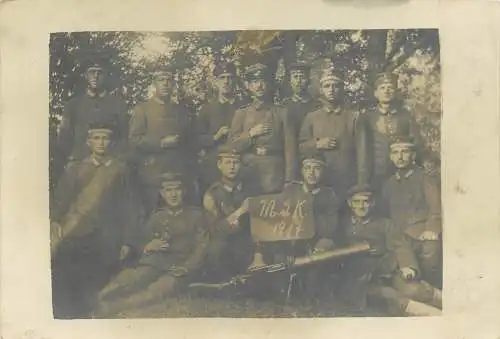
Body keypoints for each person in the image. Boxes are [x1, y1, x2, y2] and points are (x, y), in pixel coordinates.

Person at [50, 121, 135, 318]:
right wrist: (55, 223)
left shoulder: (120, 170)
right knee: (68, 276)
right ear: (88, 142)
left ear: (111, 142)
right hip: (77, 234)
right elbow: (61, 201)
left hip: (108, 236)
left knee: (98, 283)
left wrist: (128, 241)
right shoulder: (76, 169)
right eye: (96, 138)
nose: (101, 142)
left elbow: (130, 207)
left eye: (105, 138)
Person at [95, 172, 209, 317]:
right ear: (162, 194)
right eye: (168, 190)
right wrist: (148, 246)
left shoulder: (196, 215)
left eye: (177, 189)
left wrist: (186, 268)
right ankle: (99, 297)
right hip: (157, 263)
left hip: (180, 267)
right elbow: (141, 241)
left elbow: (203, 247)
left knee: (157, 290)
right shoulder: (157, 217)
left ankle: (115, 307)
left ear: (184, 192)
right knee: (134, 279)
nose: (173, 195)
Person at [337, 184, 442, 316]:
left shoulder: (385, 223)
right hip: (361, 277)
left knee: (414, 290)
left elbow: (399, 246)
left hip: (387, 268)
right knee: (392, 297)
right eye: (356, 202)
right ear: (350, 204)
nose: (361, 206)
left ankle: (452, 304)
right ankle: (435, 316)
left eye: (366, 201)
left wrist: (407, 266)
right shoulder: (343, 226)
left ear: (373, 203)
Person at [268, 151, 341, 298]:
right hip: (291, 241)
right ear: (301, 171)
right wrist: (285, 248)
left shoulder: (329, 195)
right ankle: (282, 290)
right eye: (307, 168)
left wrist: (310, 211)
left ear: (323, 172)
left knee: (325, 246)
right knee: (277, 256)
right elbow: (279, 222)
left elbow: (329, 229)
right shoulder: (290, 190)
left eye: (317, 168)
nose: (311, 173)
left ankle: (310, 291)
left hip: (315, 242)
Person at [129, 64, 198, 216]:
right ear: (154, 84)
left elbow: (190, 143)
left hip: (178, 175)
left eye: (169, 80)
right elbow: (134, 140)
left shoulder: (181, 110)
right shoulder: (143, 109)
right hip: (153, 176)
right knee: (152, 217)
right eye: (161, 80)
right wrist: (160, 143)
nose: (165, 84)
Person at [299, 63, 369, 200]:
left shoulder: (354, 117)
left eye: (335, 86)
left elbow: (363, 154)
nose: (331, 90)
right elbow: (301, 147)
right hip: (318, 182)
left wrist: (362, 183)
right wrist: (317, 144)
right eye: (327, 86)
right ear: (321, 90)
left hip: (347, 181)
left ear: (342, 88)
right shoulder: (312, 117)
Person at [230, 58, 298, 196]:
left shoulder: (282, 112)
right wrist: (250, 134)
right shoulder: (241, 113)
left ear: (269, 85)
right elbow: (232, 146)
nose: (259, 86)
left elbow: (290, 149)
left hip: (274, 172)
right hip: (248, 172)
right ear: (248, 86)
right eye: (255, 82)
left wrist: (290, 180)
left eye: (263, 81)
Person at [382, 137, 442, 288]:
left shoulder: (424, 177)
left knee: (431, 249)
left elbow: (435, 206)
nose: (400, 157)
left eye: (404, 152)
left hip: (419, 232)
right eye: (395, 153)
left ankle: (433, 289)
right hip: (397, 237)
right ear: (390, 157)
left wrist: (431, 229)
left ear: (413, 156)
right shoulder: (388, 184)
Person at [57, 56, 129, 168]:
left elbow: (124, 135)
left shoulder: (118, 104)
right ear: (86, 76)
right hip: (80, 162)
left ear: (105, 77)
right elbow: (64, 136)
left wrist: (116, 157)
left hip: (109, 163)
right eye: (92, 72)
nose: (96, 76)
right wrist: (73, 157)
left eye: (100, 73)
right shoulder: (73, 104)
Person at [202, 144, 253, 279]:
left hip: (248, 241)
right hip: (226, 242)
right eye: (228, 162)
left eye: (235, 162)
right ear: (219, 165)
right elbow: (216, 229)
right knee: (216, 250)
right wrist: (240, 211)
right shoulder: (212, 194)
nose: (232, 167)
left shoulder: (250, 190)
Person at [365, 72, 422, 190]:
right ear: (376, 93)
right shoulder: (367, 118)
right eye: (382, 88)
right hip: (375, 173)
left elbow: (416, 142)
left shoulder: (406, 116)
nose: (386, 91)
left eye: (390, 88)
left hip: (401, 172)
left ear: (395, 92)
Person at [196, 62, 240, 194]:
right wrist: (215, 137)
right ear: (215, 82)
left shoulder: (243, 107)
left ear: (235, 81)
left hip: (238, 164)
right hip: (214, 165)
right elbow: (196, 139)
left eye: (230, 78)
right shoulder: (207, 109)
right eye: (222, 78)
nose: (226, 82)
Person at [284, 62, 320, 137]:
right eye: (295, 77)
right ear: (290, 81)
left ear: (309, 81)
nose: (298, 81)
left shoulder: (317, 106)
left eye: (302, 77)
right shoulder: (283, 106)